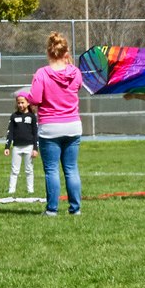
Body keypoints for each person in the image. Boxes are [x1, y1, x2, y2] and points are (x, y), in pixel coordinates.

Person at [18, 32, 84, 216]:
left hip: (50, 127)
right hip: (73, 125)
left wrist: (26, 96)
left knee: (51, 170)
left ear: (49, 52)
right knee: (71, 169)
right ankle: (75, 209)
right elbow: (77, 87)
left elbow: (36, 99)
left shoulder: (42, 74)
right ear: (66, 52)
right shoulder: (75, 72)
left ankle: (52, 210)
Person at [4, 93, 38, 196]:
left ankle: (30, 190)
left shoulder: (32, 117)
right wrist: (7, 147)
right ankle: (11, 190)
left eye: (22, 102)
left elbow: (36, 133)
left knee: (29, 170)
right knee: (14, 170)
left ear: (28, 103)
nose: (20, 105)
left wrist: (35, 148)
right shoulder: (14, 116)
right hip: (17, 147)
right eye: (18, 103)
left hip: (29, 147)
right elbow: (10, 132)